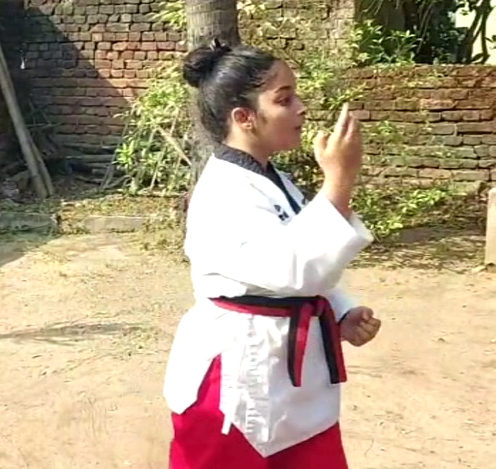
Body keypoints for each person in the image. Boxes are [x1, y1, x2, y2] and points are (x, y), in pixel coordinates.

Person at [163, 40, 383, 469]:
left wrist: (341, 312)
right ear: (244, 118)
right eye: (285, 99)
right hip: (235, 380)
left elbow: (303, 252)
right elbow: (293, 268)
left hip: (293, 381)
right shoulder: (223, 192)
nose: (300, 108)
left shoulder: (274, 178)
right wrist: (339, 181)